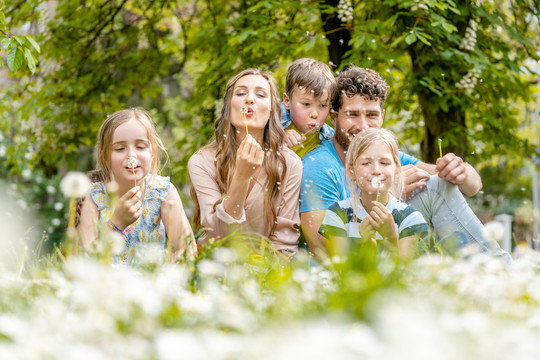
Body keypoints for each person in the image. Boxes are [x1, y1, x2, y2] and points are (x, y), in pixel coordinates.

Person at [301, 65, 510, 263]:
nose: (363, 126)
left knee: (438, 185)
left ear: (382, 117)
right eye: (352, 114)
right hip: (353, 260)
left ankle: (492, 268)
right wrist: (389, 195)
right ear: (334, 118)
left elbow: (471, 187)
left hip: (392, 246)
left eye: (372, 115)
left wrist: (461, 171)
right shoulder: (319, 165)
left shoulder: (386, 157)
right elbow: (321, 251)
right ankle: (494, 270)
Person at [188, 68, 302, 256]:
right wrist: (241, 176)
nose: (249, 99)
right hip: (216, 267)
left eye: (260, 94)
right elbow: (217, 235)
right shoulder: (202, 162)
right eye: (241, 93)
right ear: (228, 107)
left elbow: (284, 245)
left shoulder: (289, 164)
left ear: (272, 109)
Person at [79, 108, 196, 264]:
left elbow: (187, 249)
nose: (131, 155)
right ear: (106, 158)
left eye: (140, 147)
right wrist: (116, 223)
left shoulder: (161, 192)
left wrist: (161, 274)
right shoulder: (95, 197)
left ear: (152, 152)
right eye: (120, 148)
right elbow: (86, 258)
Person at [320, 128, 429, 259]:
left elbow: (402, 273)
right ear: (352, 172)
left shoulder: (410, 219)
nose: (376, 170)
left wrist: (390, 238)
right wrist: (366, 249)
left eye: (384, 163)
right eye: (366, 163)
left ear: (396, 171)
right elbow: (341, 270)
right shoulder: (338, 214)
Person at [281, 58, 337, 158]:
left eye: (323, 105)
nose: (314, 114)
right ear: (287, 101)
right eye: (306, 104)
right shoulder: (272, 122)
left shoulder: (330, 138)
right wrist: (277, 137)